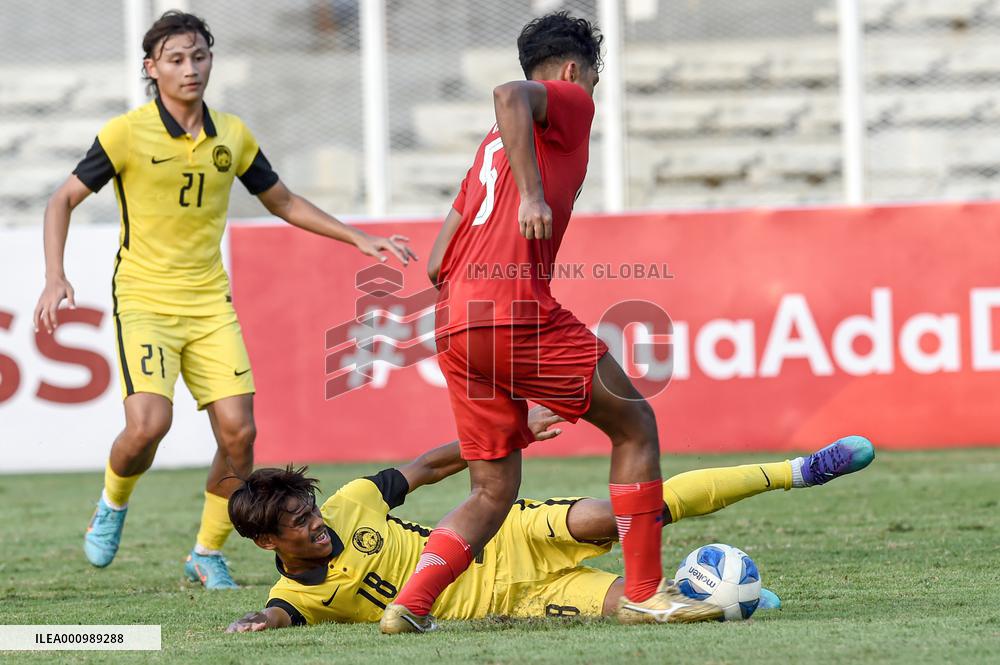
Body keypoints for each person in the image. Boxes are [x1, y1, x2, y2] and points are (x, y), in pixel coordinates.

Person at [32, 11, 415, 589]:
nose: (190, 68)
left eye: (199, 56)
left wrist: (357, 235)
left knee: (238, 435)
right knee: (148, 425)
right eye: (176, 59)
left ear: (211, 59)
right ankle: (112, 505)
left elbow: (282, 201)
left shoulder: (232, 135)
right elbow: (61, 199)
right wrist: (54, 275)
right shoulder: (125, 134)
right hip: (144, 300)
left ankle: (206, 552)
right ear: (151, 68)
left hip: (210, 303)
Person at [390, 11, 674, 632]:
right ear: (573, 73)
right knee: (635, 424)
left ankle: (408, 606)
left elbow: (437, 262)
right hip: (513, 311)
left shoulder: (489, 149)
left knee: (492, 491)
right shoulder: (566, 102)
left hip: (455, 325)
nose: (588, 100)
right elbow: (508, 94)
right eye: (590, 85)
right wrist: (532, 194)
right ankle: (647, 593)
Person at [225, 406, 874, 631]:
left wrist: (508, 430)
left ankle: (799, 469)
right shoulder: (299, 595)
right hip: (524, 600)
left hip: (511, 533)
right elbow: (280, 613)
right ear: (265, 542)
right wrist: (257, 620)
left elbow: (425, 467)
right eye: (296, 522)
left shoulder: (351, 502)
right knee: (644, 605)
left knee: (631, 508)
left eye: (308, 507)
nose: (314, 522)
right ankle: (732, 593)